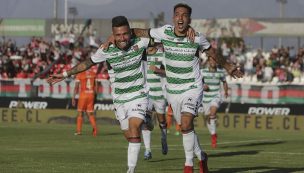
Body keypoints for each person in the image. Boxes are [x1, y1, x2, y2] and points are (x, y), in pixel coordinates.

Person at [129, 3, 243, 173]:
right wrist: (115, 36)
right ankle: (202, 157)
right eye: (177, 14)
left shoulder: (197, 37)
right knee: (185, 127)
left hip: (192, 87)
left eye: (184, 15)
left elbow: (213, 53)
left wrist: (228, 67)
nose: (180, 18)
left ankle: (188, 165)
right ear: (173, 18)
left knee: (186, 122)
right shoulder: (164, 32)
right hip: (173, 91)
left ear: (189, 19)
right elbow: (140, 32)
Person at [47, 16, 153, 173]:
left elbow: (162, 35)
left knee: (134, 128)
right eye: (118, 35)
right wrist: (65, 73)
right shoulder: (106, 50)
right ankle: (147, 120)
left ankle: (131, 170)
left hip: (138, 95)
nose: (122, 38)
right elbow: (87, 63)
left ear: (130, 32)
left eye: (125, 34)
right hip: (119, 100)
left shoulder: (141, 42)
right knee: (130, 136)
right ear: (113, 34)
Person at [142, 43, 168, 160]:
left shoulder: (162, 55)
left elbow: (170, 72)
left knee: (162, 121)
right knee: (145, 120)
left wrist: (158, 71)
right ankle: (148, 150)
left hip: (160, 94)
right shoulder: (142, 56)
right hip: (147, 94)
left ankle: (164, 139)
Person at [201, 57, 229, 148]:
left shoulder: (221, 72)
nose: (213, 62)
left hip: (216, 96)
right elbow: (197, 82)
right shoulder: (203, 72)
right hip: (205, 98)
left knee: (212, 112)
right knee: (208, 118)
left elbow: (224, 82)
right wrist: (203, 86)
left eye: (215, 60)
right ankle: (213, 133)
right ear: (208, 62)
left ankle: (213, 138)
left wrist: (226, 91)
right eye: (211, 60)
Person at [72, 65, 98, 136]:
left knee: (80, 113)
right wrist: (95, 97)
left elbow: (76, 87)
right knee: (90, 113)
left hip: (83, 95)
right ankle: (95, 129)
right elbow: (96, 87)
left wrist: (73, 97)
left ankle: (79, 131)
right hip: (91, 95)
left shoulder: (80, 74)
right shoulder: (93, 73)